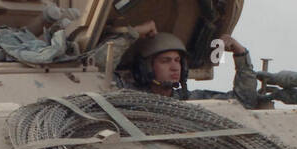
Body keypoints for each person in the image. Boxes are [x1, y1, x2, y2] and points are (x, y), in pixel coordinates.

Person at [105, 20, 266, 107]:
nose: (175, 67)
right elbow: (99, 68)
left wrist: (241, 55)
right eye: (165, 61)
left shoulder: (190, 100)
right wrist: (134, 33)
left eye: (177, 61)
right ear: (146, 67)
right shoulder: (125, 95)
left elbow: (243, 101)